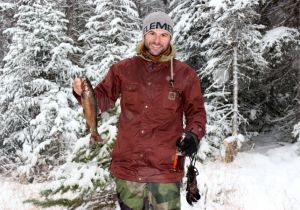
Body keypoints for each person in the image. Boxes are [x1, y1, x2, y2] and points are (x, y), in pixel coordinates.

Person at [73, 11, 206, 210]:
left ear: (170, 38)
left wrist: (194, 134)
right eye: (152, 33)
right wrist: (81, 93)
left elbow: (196, 112)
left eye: (163, 35)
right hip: (128, 167)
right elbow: (100, 100)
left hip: (169, 166)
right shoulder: (122, 69)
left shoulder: (185, 74)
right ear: (144, 35)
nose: (157, 40)